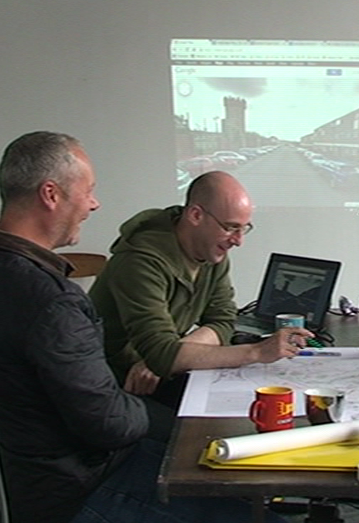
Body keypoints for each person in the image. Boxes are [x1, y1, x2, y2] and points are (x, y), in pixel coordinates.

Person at [0, 132, 276, 523]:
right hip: (80, 483)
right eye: (88, 191)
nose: (93, 204)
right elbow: (109, 423)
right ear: (50, 194)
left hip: (30, 472)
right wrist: (188, 426)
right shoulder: (54, 301)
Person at [89, 171, 311, 437]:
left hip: (155, 373)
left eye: (243, 228)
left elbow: (223, 321)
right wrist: (257, 352)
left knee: (241, 415)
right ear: (195, 215)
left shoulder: (211, 251)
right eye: (230, 227)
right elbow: (163, 354)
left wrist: (170, 355)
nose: (238, 240)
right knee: (199, 436)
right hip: (110, 383)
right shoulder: (139, 261)